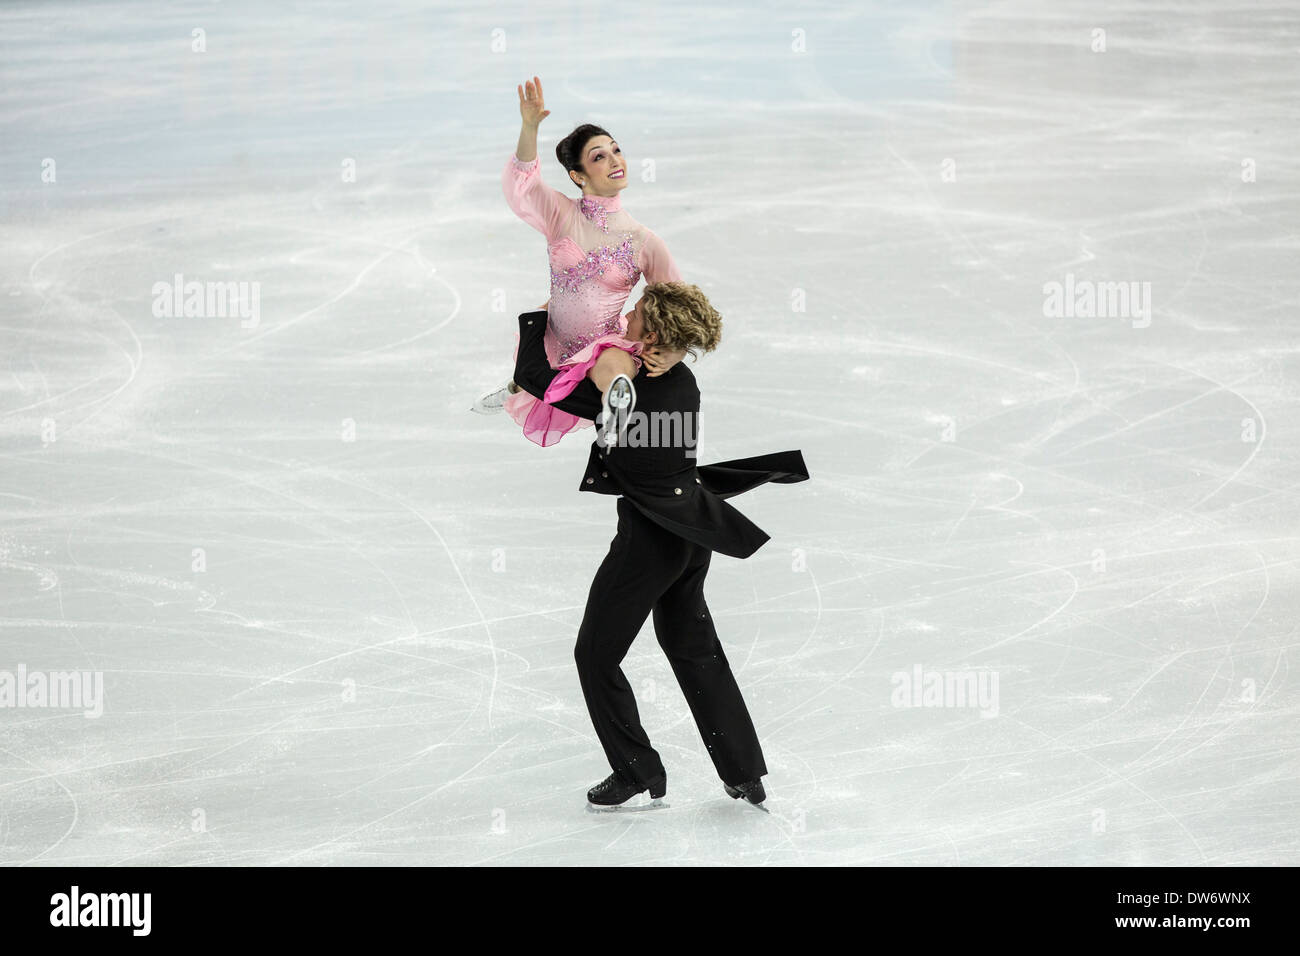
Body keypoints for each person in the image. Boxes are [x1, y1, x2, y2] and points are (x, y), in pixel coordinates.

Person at [510, 282, 810, 810]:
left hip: (650, 538)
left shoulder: (630, 394)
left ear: (653, 335)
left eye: (637, 315)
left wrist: (539, 319)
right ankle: (744, 772)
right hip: (691, 532)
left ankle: (634, 771)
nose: (625, 319)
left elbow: (537, 379)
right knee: (695, 650)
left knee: (595, 655)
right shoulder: (681, 380)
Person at [473, 75, 688, 448]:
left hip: (606, 341)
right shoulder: (561, 215)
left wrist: (673, 353)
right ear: (578, 175)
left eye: (616, 150)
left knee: (611, 364)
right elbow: (521, 186)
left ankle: (618, 405)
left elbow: (682, 306)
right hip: (555, 336)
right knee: (532, 373)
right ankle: (514, 387)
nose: (615, 160)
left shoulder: (644, 241)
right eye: (599, 156)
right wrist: (529, 128)